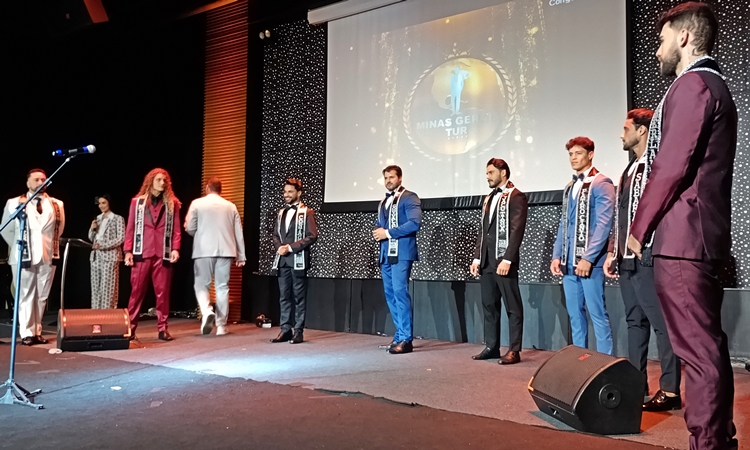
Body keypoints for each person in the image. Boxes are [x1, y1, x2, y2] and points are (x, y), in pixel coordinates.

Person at [627, 3, 738, 448]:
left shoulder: (694, 85)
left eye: (662, 40)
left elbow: (671, 166)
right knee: (707, 348)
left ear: (685, 37)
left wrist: (639, 228)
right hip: (696, 239)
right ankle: (718, 439)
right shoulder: (710, 84)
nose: (657, 50)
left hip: (683, 240)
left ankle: (708, 443)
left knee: (699, 353)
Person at [605, 109, 681, 411]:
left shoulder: (656, 164)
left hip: (648, 256)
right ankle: (636, 384)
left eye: (626, 129)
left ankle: (670, 390)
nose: (621, 135)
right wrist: (612, 250)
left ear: (642, 130)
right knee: (634, 322)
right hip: (626, 259)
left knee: (662, 323)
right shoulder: (628, 170)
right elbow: (620, 215)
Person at [551, 137, 615, 355]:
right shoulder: (569, 186)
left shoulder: (601, 182)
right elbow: (564, 223)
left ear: (590, 154)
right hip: (569, 262)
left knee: (597, 314)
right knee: (575, 315)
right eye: (570, 154)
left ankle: (605, 363)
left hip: (590, 262)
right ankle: (580, 361)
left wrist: (588, 258)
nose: (573, 158)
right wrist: (557, 254)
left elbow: (604, 224)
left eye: (578, 153)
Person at [470, 158, 528, 364]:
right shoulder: (488, 198)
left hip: (504, 261)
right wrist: (477, 257)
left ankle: (514, 350)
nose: (487, 176)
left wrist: (508, 259)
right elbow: (483, 230)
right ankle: (491, 346)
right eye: (487, 173)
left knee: (512, 306)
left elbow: (517, 230)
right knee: (489, 305)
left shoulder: (516, 196)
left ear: (503, 173)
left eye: (491, 173)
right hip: (487, 261)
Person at [1, 169, 65, 346]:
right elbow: (6, 229)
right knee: (25, 294)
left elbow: (59, 230)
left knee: (42, 295)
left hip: (48, 254)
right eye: (36, 180)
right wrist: (19, 245)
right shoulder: (14, 202)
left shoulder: (57, 204)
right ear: (28, 183)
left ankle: (37, 331)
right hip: (23, 254)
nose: (41, 182)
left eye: (43, 179)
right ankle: (27, 332)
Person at [123, 168, 182, 341]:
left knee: (163, 293)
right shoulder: (137, 202)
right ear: (150, 181)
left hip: (163, 252)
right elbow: (130, 227)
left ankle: (163, 328)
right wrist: (127, 251)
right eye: (158, 180)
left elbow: (176, 228)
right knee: (136, 293)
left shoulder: (172, 203)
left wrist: (176, 248)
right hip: (142, 251)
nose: (162, 183)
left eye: (164, 180)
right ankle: (130, 328)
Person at [184, 177, 246, 336]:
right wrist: (241, 255)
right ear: (220, 189)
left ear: (207, 188)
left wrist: (199, 232)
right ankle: (221, 326)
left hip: (203, 250)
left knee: (201, 285)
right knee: (222, 287)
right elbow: (238, 232)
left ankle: (206, 311)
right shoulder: (231, 206)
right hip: (226, 250)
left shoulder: (197, 203)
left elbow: (189, 227)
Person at [373, 165, 421, 354]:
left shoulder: (409, 197)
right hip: (386, 254)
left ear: (400, 178)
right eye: (386, 178)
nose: (388, 181)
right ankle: (400, 334)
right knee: (390, 294)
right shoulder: (383, 201)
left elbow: (414, 223)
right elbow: (380, 225)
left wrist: (387, 233)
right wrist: (378, 231)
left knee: (400, 292)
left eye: (391, 177)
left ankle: (406, 339)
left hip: (401, 252)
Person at [270, 178, 317, 344]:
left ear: (299, 193)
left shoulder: (307, 212)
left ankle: (298, 331)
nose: (286, 194)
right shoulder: (281, 212)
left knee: (299, 297)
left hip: (298, 260)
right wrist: (280, 247)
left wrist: (290, 247)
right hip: (282, 261)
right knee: (284, 296)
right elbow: (275, 235)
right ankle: (285, 330)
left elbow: (312, 236)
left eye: (290, 191)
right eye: (285, 192)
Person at [88, 195, 125, 309]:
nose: (101, 206)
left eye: (103, 203)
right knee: (96, 287)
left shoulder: (117, 218)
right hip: (96, 256)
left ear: (109, 203)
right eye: (99, 203)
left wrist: (103, 246)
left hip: (110, 256)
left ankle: (107, 313)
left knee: (108, 287)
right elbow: (91, 238)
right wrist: (92, 228)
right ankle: (95, 312)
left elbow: (121, 238)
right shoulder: (98, 219)